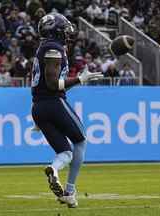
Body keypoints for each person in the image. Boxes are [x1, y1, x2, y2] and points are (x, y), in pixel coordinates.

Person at [31, 12, 103, 208]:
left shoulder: (45, 48)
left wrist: (78, 80)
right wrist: (80, 79)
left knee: (65, 152)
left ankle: (54, 170)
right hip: (53, 103)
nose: (67, 34)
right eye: (64, 30)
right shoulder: (53, 48)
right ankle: (70, 190)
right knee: (81, 140)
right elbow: (54, 84)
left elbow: (51, 84)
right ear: (56, 31)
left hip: (39, 107)